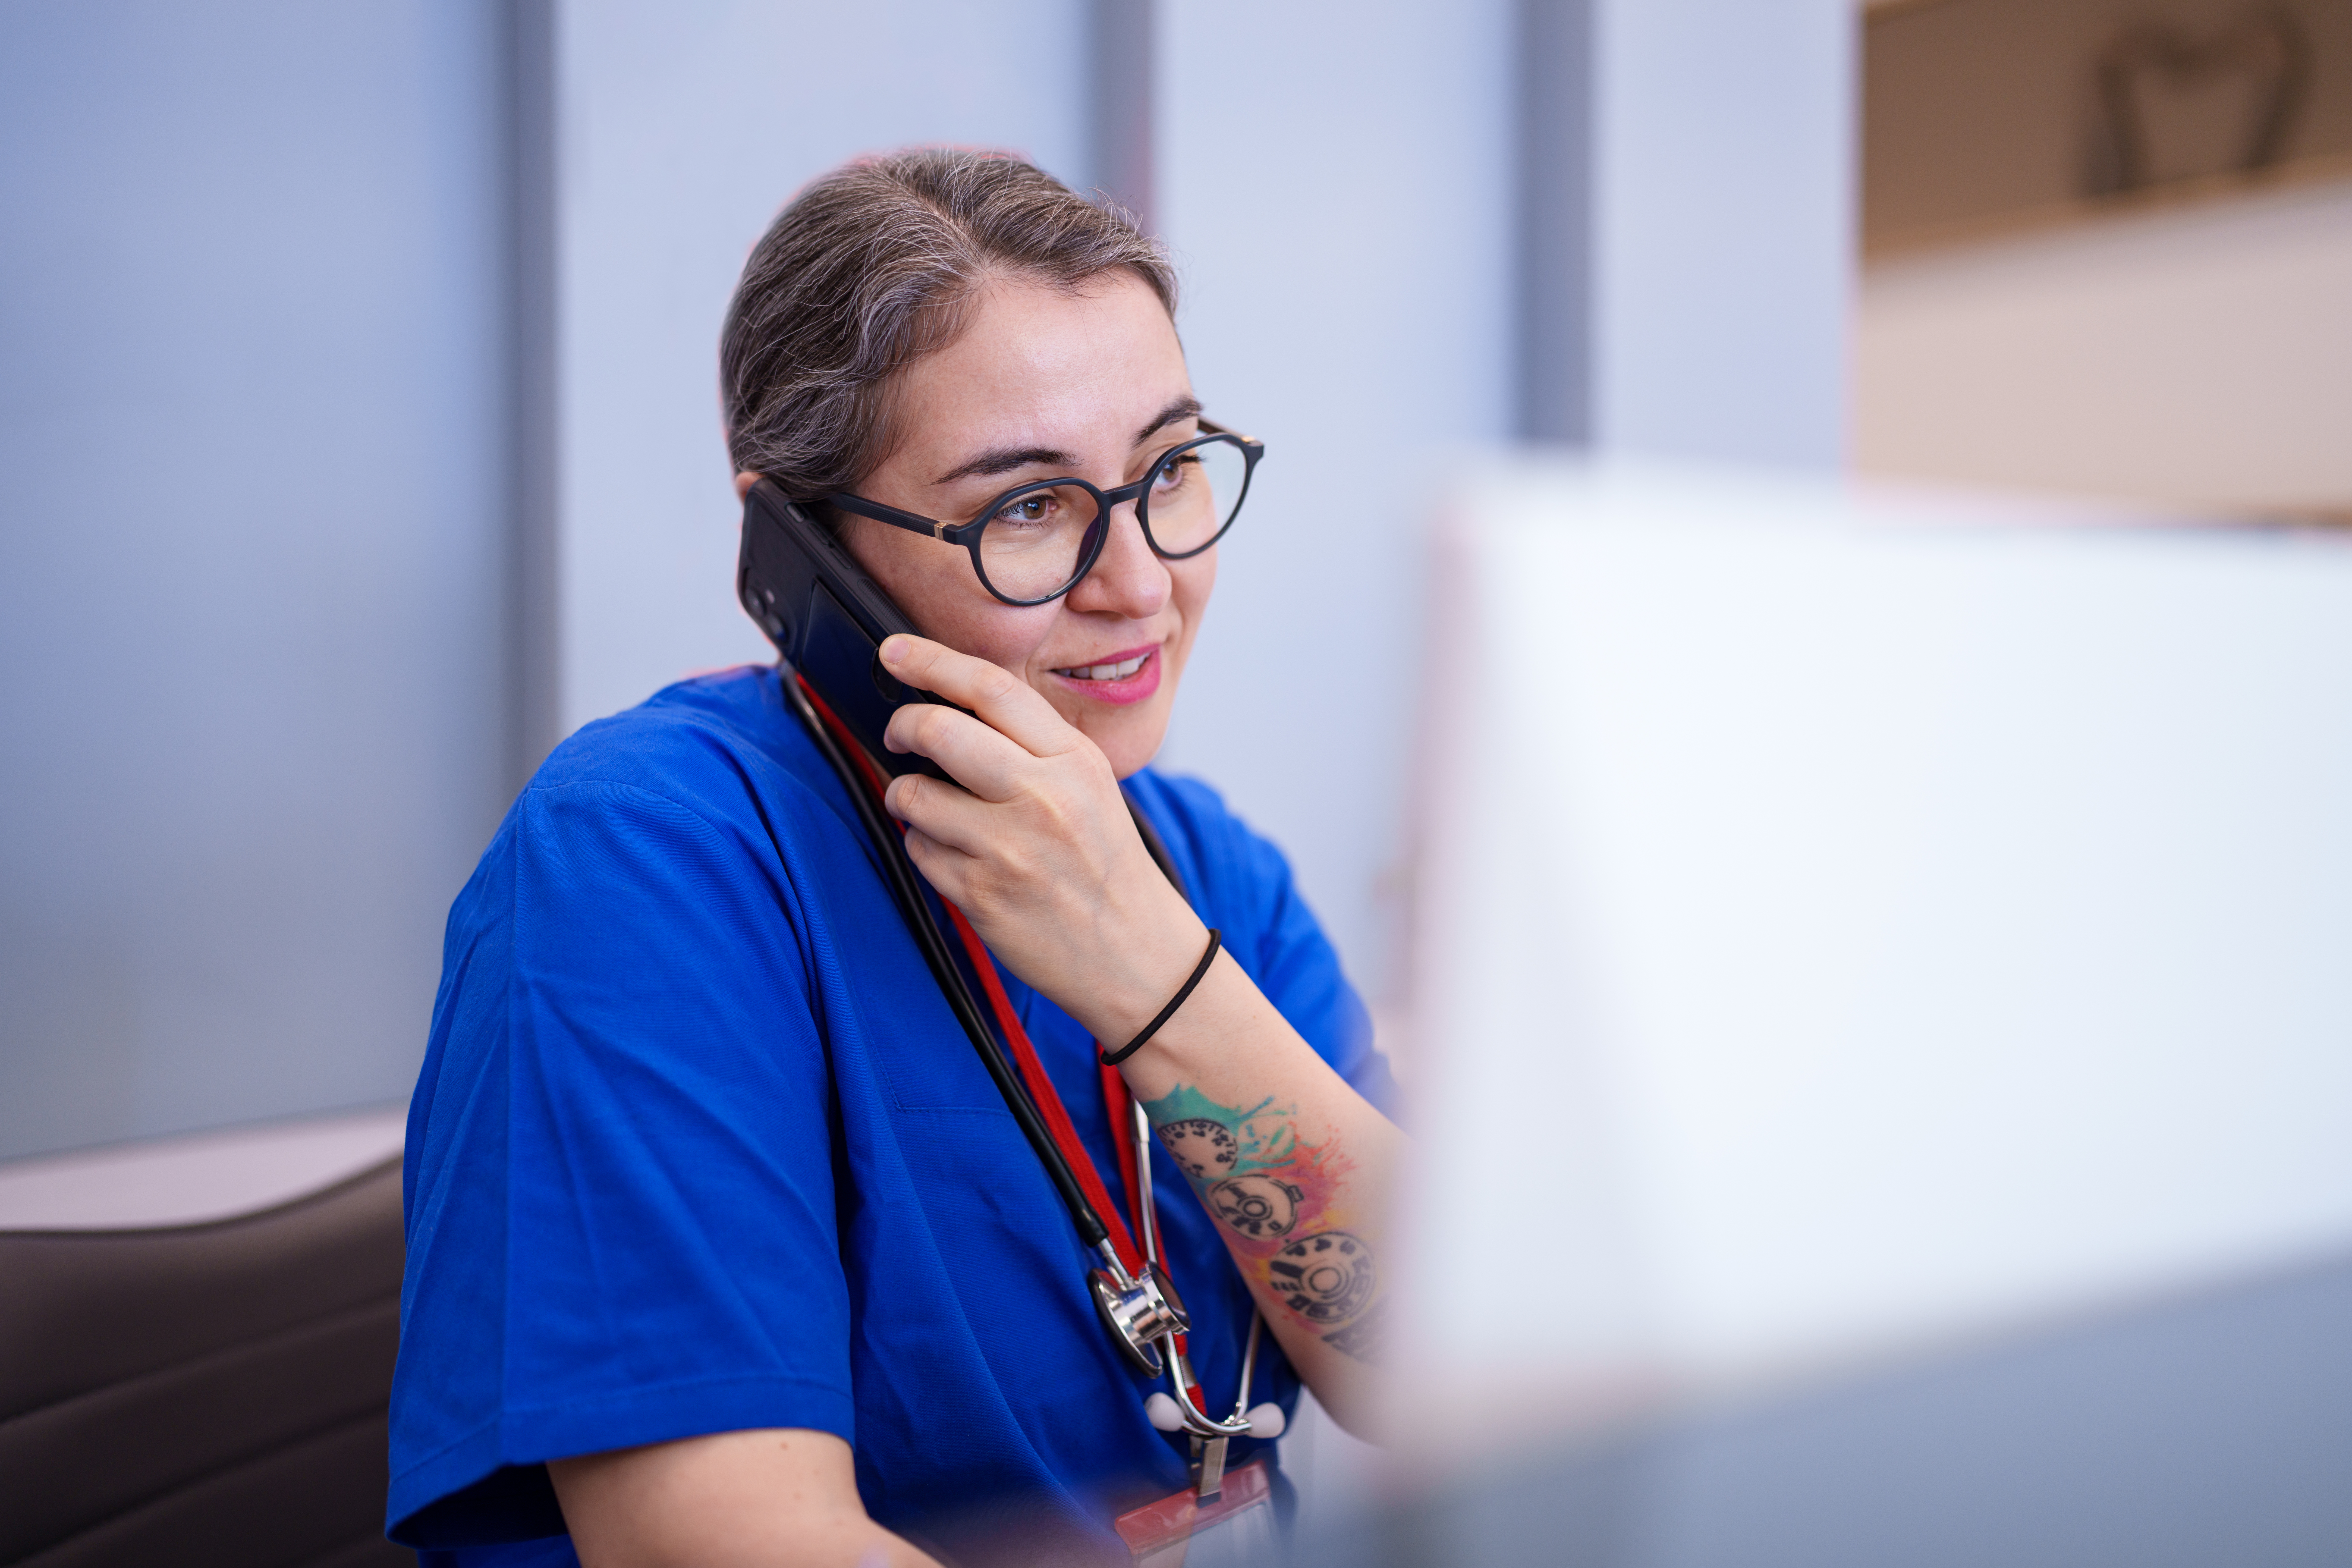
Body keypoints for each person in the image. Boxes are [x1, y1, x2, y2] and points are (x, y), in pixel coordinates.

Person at [388, 148, 1404, 1567]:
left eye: (1168, 470)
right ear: (807, 554)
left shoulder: (1202, 865)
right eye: (1027, 508)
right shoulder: (650, 860)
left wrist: (1159, 980)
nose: (1141, 585)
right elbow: (727, 1546)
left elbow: (1432, 1366)